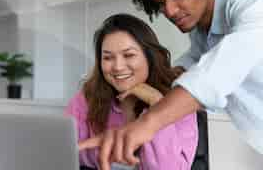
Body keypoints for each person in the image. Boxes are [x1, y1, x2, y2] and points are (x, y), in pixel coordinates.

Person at [82, 0, 263, 169]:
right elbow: (191, 65)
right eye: (161, 3)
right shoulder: (202, 36)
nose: (169, 11)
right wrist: (146, 86)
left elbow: (219, 71)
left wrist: (146, 124)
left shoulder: (256, 3)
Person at [65, 13, 198, 170]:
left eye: (128, 55)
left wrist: (157, 103)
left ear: (150, 57)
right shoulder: (86, 99)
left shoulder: (180, 101)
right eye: (108, 58)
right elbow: (64, 154)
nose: (118, 66)